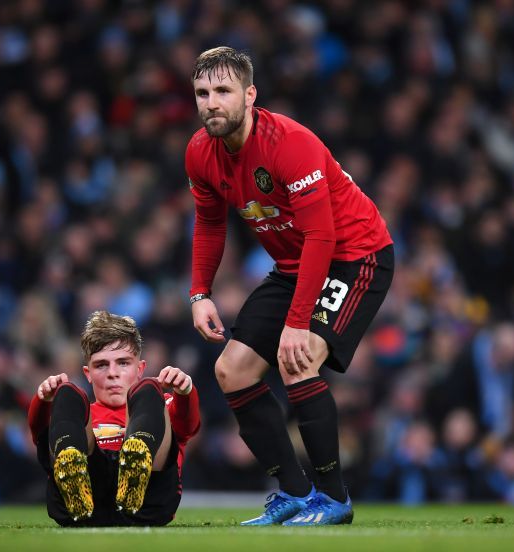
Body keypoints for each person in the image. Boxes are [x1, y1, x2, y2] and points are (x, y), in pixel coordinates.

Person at [185, 47, 394, 526]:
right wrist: (200, 294)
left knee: (295, 358)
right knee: (232, 371)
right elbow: (210, 223)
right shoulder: (200, 152)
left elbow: (323, 235)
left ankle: (334, 498)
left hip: (354, 255)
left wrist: (298, 324)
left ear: (250, 95)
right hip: (295, 264)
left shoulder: (289, 144)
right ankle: (296, 493)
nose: (212, 103)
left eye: (223, 91)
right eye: (202, 93)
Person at [27, 310, 200, 527]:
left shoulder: (161, 404)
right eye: (101, 365)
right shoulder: (79, 416)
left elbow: (188, 426)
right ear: (87, 373)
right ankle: (73, 474)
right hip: (81, 505)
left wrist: (185, 392)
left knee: (148, 388)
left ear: (140, 368)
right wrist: (43, 399)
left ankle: (137, 458)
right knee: (68, 392)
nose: (112, 373)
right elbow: (40, 436)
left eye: (123, 363)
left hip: (146, 504)